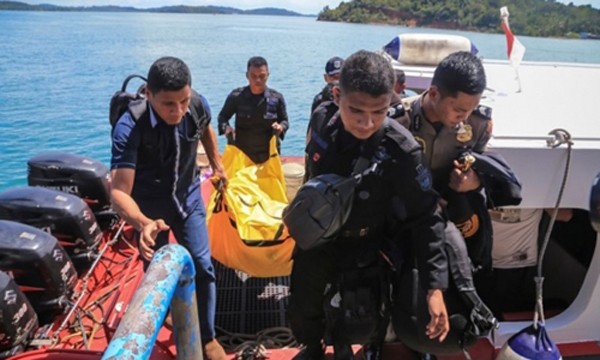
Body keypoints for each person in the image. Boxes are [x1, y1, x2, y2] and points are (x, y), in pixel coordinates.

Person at [289, 50, 449, 360]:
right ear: (337, 95)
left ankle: (366, 346)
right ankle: (311, 345)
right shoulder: (322, 119)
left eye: (379, 112)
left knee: (362, 319)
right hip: (318, 242)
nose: (367, 123)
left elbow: (426, 217)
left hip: (367, 245)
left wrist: (434, 288)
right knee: (302, 307)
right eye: (357, 111)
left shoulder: (401, 150)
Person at [110, 56, 228, 360]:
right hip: (150, 211)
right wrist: (141, 222)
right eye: (168, 104)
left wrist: (217, 165)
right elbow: (119, 192)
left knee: (203, 266)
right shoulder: (130, 127)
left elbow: (205, 129)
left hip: (188, 198)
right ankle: (169, 318)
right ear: (148, 93)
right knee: (158, 275)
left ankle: (207, 336)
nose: (178, 111)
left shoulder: (197, 105)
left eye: (184, 101)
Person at [394, 51, 495, 272]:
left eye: (470, 109)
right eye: (459, 110)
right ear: (433, 93)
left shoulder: (478, 124)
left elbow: (483, 165)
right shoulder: (399, 121)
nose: (465, 117)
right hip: (406, 215)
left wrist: (474, 181)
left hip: (453, 212)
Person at [217, 56, 289, 164]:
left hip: (269, 157)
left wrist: (281, 127)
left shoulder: (277, 98)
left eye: (262, 76)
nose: (258, 80)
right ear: (247, 76)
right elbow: (222, 117)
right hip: (242, 156)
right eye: (253, 76)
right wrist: (226, 128)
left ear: (268, 75)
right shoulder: (236, 97)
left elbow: (285, 121)